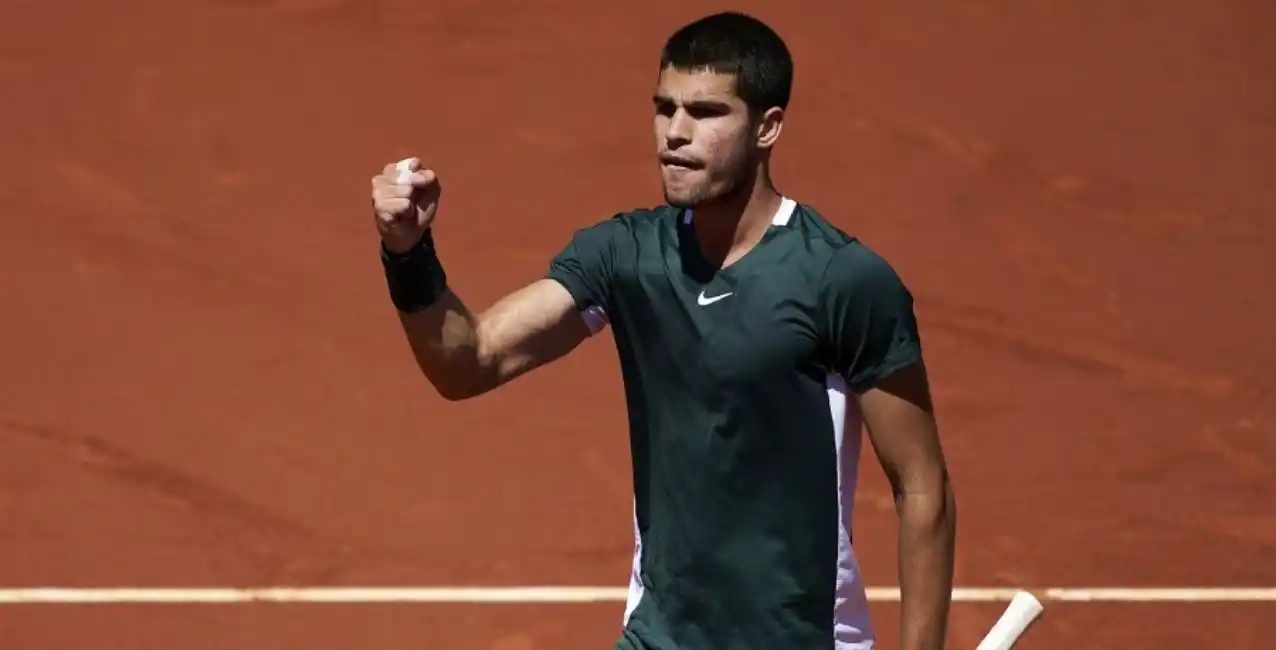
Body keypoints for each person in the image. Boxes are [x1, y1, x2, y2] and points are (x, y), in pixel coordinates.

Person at [369, 10, 956, 650]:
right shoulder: (626, 256)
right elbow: (469, 362)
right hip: (661, 636)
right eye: (664, 108)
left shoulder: (841, 280)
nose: (674, 133)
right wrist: (408, 253)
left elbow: (921, 483)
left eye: (705, 113)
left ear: (768, 127)